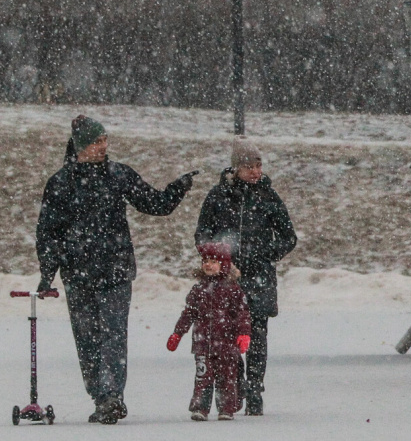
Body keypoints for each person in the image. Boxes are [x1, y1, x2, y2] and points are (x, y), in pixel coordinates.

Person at [36, 115, 196, 424]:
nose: (103, 146)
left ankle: (111, 396)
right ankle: (100, 395)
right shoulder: (61, 183)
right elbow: (48, 232)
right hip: (78, 273)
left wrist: (177, 188)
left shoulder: (118, 174)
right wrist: (47, 274)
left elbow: (155, 204)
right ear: (81, 147)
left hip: (115, 270)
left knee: (113, 335)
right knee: (87, 339)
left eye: (105, 140)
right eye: (96, 142)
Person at [195, 140, 296, 416]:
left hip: (260, 278)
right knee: (228, 337)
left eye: (258, 165)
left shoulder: (268, 196)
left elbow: (288, 237)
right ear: (236, 168)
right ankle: (236, 384)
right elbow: (202, 233)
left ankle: (254, 390)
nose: (255, 171)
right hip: (227, 280)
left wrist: (265, 253)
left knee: (257, 336)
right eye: (249, 166)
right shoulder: (218, 196)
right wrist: (218, 257)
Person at [168, 243, 252, 421]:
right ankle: (200, 408)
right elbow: (188, 314)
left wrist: (244, 334)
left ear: (224, 265)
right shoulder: (198, 290)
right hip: (203, 344)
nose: (208, 265)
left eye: (213, 262)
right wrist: (178, 333)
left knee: (226, 378)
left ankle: (226, 408)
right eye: (205, 261)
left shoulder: (233, 290)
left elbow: (242, 314)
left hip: (227, 344)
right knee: (202, 377)